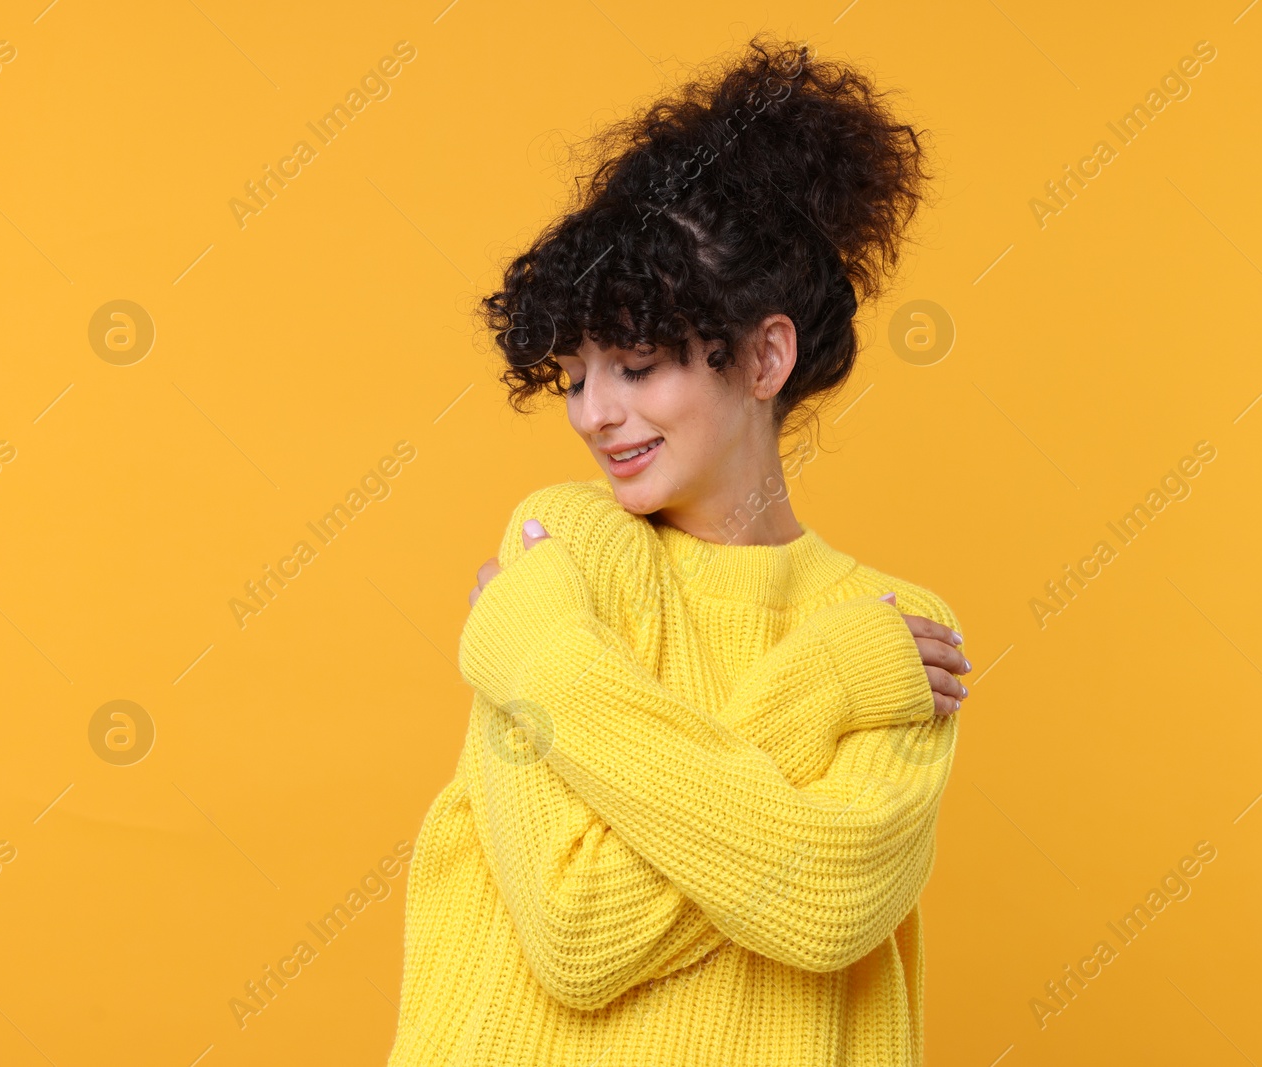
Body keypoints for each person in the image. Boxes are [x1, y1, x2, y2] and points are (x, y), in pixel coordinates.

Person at [387, 33, 970, 1067]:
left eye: (639, 366)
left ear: (763, 356)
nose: (593, 413)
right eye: (574, 376)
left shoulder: (896, 629)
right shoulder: (563, 548)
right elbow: (574, 927)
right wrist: (829, 687)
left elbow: (829, 902)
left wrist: (537, 657)